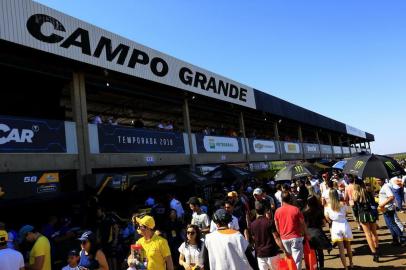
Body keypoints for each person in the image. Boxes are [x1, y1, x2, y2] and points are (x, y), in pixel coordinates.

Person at [250, 201, 289, 270]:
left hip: (260, 254)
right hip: (272, 252)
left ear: (256, 211)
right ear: (265, 210)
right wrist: (285, 250)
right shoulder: (269, 222)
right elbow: (276, 238)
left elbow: (254, 239)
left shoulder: (252, 224)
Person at [274, 191, 306, 270]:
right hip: (296, 237)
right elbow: (302, 223)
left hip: (284, 238)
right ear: (290, 199)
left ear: (281, 199)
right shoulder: (296, 209)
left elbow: (276, 225)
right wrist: (302, 233)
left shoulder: (277, 211)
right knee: (297, 260)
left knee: (289, 259)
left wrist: (281, 234)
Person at [325, 190, 353, 270]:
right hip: (344, 224)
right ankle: (351, 263)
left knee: (341, 249)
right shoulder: (342, 204)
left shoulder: (327, 206)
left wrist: (331, 220)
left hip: (335, 226)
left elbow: (327, 218)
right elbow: (347, 213)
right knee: (348, 246)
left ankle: (345, 267)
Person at [353, 183, 380, 262]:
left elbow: (355, 209)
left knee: (368, 235)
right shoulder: (368, 192)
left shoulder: (356, 196)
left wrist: (357, 219)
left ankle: (374, 253)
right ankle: (377, 250)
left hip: (362, 215)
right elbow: (374, 204)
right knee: (374, 232)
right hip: (371, 213)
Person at [304, 196, 332, 270]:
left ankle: (314, 266)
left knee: (312, 252)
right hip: (318, 232)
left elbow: (304, 224)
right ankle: (321, 266)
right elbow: (324, 223)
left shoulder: (305, 212)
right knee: (320, 251)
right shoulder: (319, 210)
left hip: (309, 233)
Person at [377, 178, 406, 245]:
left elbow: (391, 197)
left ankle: (403, 239)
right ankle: (395, 240)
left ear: (383, 180)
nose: (377, 182)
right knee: (390, 225)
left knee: (392, 224)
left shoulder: (386, 186)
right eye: (377, 180)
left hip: (388, 208)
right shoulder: (385, 186)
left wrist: (382, 204)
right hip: (386, 208)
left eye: (379, 180)